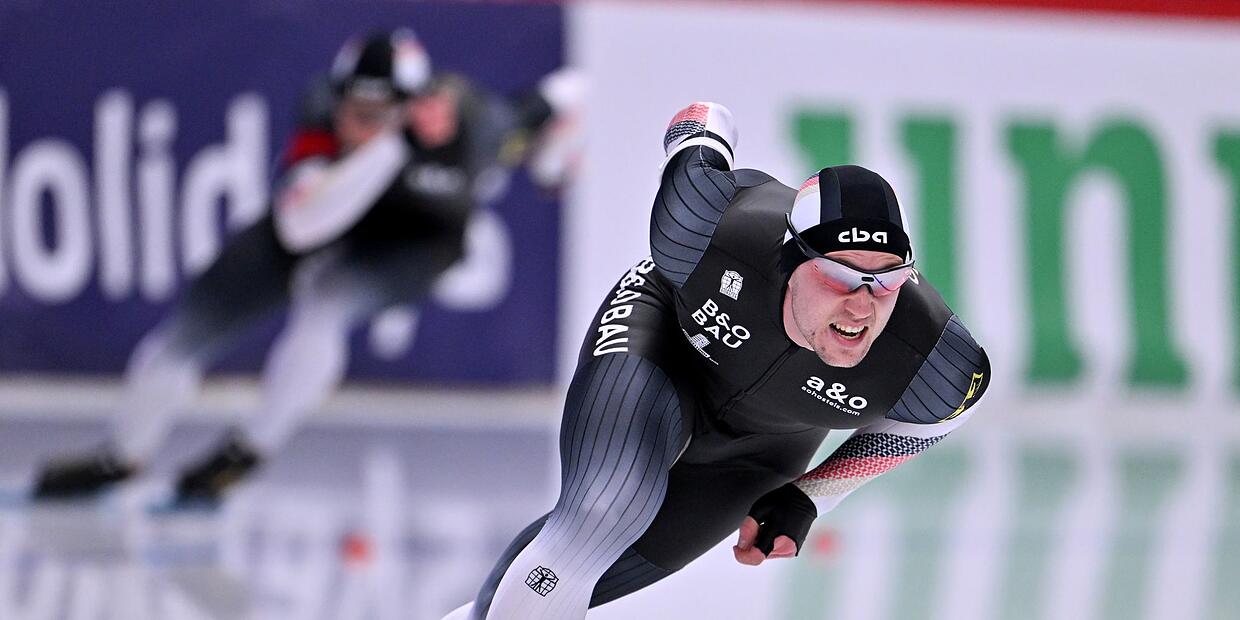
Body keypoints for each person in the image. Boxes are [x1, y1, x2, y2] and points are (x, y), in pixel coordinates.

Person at [443, 102, 990, 619]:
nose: (862, 305)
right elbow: (702, 119)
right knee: (604, 511)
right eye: (839, 275)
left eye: (886, 280)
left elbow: (937, 421)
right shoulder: (707, 227)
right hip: (663, 347)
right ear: (790, 259)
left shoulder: (931, 356)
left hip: (761, 448)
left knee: (605, 569)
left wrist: (813, 495)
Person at [32, 29, 580, 504]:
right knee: (184, 335)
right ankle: (123, 454)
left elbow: (573, 91)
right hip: (318, 217)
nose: (356, 127)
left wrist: (553, 161)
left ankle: (249, 449)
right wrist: (394, 146)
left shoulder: (478, 124)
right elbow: (301, 227)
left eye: (375, 117)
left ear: (416, 106)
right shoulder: (323, 111)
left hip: (408, 246)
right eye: (352, 112)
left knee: (325, 309)